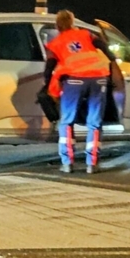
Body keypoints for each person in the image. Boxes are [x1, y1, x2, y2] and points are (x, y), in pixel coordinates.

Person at [44, 10, 119, 174]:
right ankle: (92, 163)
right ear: (72, 23)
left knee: (67, 122)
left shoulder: (56, 43)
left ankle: (67, 162)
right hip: (98, 78)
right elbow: (104, 47)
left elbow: (49, 68)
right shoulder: (86, 34)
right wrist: (113, 62)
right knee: (95, 121)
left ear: (57, 26)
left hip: (74, 81)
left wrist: (47, 87)